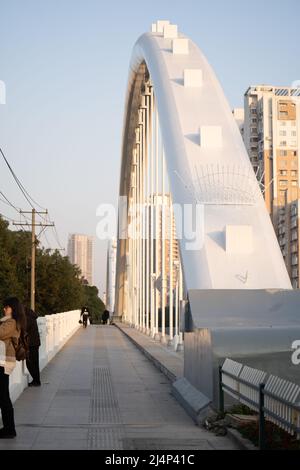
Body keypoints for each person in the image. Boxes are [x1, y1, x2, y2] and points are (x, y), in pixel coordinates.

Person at [0, 297, 26, 439]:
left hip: (3, 362)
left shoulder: (11, 322)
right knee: (3, 396)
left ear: (13, 308)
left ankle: (9, 429)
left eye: (7, 307)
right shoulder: (7, 321)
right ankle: (8, 428)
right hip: (2, 361)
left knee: (3, 396)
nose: (4, 309)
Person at [25, 307, 41, 387]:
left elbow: (25, 328)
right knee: (35, 363)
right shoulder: (32, 317)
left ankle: (36, 380)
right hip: (35, 343)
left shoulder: (28, 319)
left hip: (32, 344)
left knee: (30, 363)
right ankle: (36, 380)